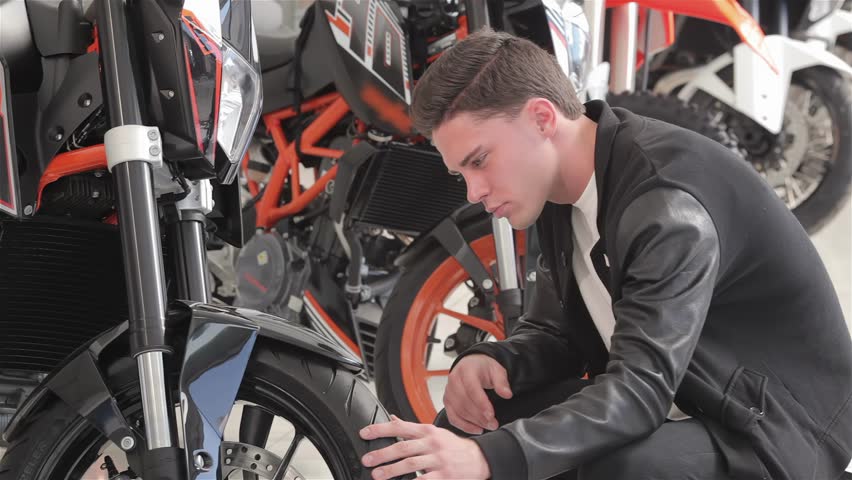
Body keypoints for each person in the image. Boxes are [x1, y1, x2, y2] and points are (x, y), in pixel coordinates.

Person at [358, 28, 852, 480]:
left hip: (774, 434)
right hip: (687, 404)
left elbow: (639, 390)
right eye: (461, 173)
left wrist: (492, 459)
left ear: (542, 119)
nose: (472, 192)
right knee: (468, 425)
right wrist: (495, 361)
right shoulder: (559, 189)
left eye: (479, 160)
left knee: (614, 469)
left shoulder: (667, 204)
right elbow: (562, 333)